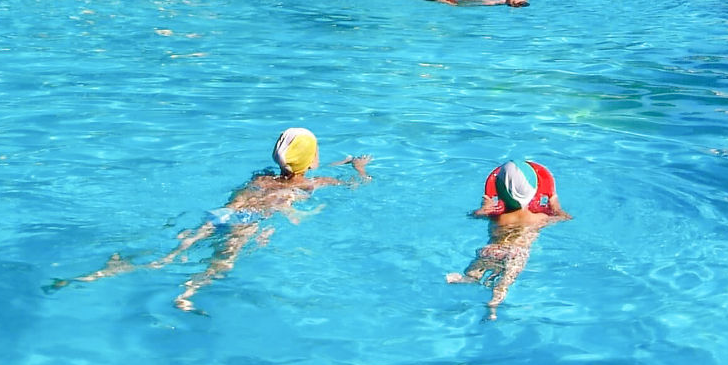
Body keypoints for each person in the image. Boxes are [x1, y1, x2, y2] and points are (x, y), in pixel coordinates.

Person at [53, 128, 371, 312]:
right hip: (246, 222)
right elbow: (357, 186)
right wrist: (358, 168)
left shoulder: (262, 177)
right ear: (311, 161)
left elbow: (276, 178)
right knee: (220, 265)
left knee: (167, 256)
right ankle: (186, 294)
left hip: (221, 214)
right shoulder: (311, 184)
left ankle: (105, 271)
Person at [447, 160, 571, 320]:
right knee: (504, 283)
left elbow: (474, 215)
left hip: (491, 249)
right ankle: (493, 305)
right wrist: (555, 204)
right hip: (516, 253)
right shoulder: (539, 218)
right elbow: (564, 217)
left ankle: (466, 279)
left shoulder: (497, 217)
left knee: (475, 272)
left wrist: (484, 207)